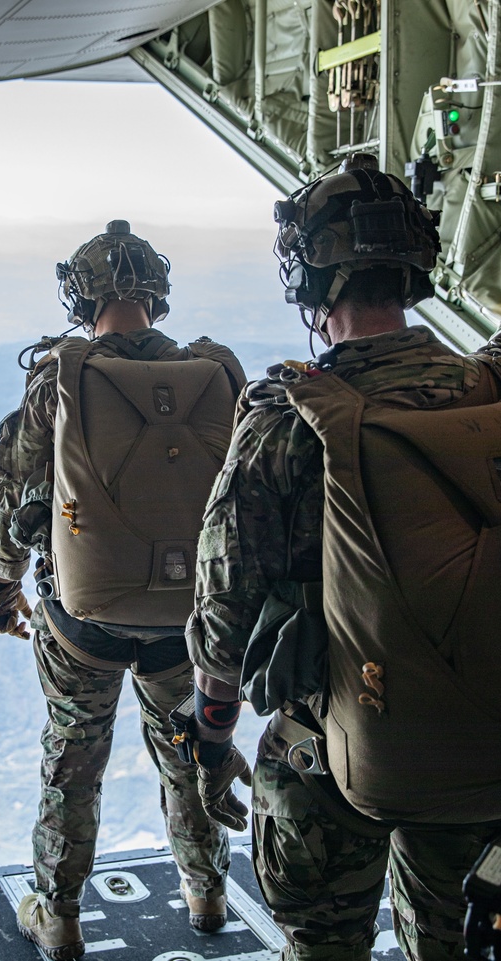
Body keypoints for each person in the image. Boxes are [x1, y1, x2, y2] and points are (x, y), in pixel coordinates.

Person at [186, 154, 501, 959]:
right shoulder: (489, 392)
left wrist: (213, 734)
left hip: (332, 763)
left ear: (312, 281)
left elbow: (224, 616)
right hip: (482, 758)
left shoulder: (287, 421)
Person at [0, 221, 246, 960]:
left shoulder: (61, 375)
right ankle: (208, 891)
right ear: (156, 295)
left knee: (73, 758)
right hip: (185, 624)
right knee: (188, 750)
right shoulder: (215, 372)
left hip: (80, 623)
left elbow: (15, 488)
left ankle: (59, 915)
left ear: (80, 295)